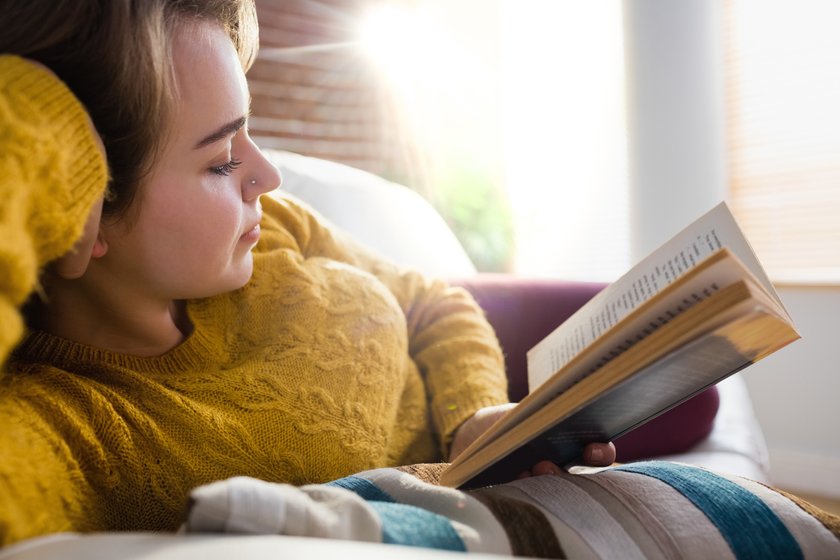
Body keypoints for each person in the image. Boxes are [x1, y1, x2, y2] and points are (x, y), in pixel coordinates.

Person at [0, 0, 614, 547]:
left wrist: (475, 418)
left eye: (250, 131)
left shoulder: (277, 226)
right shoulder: (68, 428)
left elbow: (429, 301)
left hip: (491, 441)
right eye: (222, 160)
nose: (268, 175)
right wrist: (39, 121)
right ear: (88, 204)